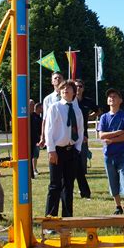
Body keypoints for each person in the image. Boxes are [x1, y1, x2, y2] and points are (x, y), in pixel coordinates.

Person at [44, 79, 84, 218]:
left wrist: (77, 148)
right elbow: (48, 130)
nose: (65, 90)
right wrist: (51, 150)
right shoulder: (54, 107)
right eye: (62, 88)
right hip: (57, 151)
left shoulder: (77, 110)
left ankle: (67, 218)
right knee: (55, 185)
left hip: (71, 151)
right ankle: (51, 218)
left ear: (74, 92)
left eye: (68, 88)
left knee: (69, 185)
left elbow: (80, 130)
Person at [97, 88, 124, 214]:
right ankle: (118, 206)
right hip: (108, 154)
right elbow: (101, 135)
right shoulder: (103, 117)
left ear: (120, 100)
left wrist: (111, 139)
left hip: (122, 153)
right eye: (109, 97)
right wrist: (117, 133)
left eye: (114, 96)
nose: (111, 98)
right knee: (112, 180)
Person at [75, 79, 101, 199]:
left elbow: (99, 111)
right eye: (75, 86)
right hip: (70, 136)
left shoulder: (87, 101)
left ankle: (83, 190)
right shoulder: (70, 101)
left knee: (82, 163)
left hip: (83, 136)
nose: (78, 88)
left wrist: (89, 117)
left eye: (80, 86)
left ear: (83, 88)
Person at [39, 71, 64, 147]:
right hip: (54, 136)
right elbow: (45, 119)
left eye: (59, 78)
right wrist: (42, 137)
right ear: (52, 82)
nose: (57, 79)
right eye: (55, 78)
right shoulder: (48, 99)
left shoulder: (70, 96)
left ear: (63, 80)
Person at [30, 101, 43, 177]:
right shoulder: (32, 116)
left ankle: (34, 169)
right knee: (34, 155)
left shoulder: (39, 117)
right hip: (33, 140)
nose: (42, 109)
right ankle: (34, 169)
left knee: (36, 155)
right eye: (41, 108)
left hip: (37, 139)